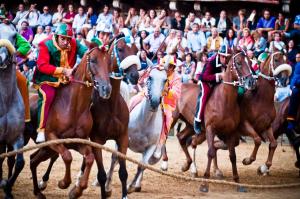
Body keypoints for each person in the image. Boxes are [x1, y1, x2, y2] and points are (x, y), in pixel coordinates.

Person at [32, 23, 88, 143]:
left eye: (68, 39)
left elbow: (86, 52)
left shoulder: (73, 42)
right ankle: (41, 130)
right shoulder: (45, 44)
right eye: (63, 38)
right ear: (56, 36)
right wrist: (63, 71)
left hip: (67, 79)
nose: (66, 42)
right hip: (47, 79)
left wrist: (94, 52)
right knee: (48, 95)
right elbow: (42, 66)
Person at [0, 14, 32, 132]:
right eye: (1, 18)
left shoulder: (13, 32)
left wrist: (14, 53)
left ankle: (26, 119)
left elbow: (26, 46)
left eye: (5, 17)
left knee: (23, 81)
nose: (4, 20)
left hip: (9, 68)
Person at [193, 45, 231, 134]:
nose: (225, 60)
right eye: (223, 57)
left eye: (227, 57)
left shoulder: (228, 62)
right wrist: (218, 76)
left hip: (218, 83)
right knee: (204, 95)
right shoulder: (211, 62)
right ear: (219, 55)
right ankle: (197, 120)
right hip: (206, 82)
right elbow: (203, 77)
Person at [153, 55, 182, 158]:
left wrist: (167, 90)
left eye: (170, 66)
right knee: (136, 99)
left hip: (167, 104)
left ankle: (159, 146)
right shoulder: (158, 71)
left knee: (168, 118)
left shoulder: (177, 78)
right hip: (153, 98)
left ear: (173, 68)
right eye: (166, 66)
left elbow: (177, 94)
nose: (168, 68)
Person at [286, 53, 300, 143]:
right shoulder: (298, 65)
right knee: (295, 93)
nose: (297, 58)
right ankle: (291, 120)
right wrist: (292, 86)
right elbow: (295, 77)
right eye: (297, 57)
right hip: (298, 85)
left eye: (298, 57)